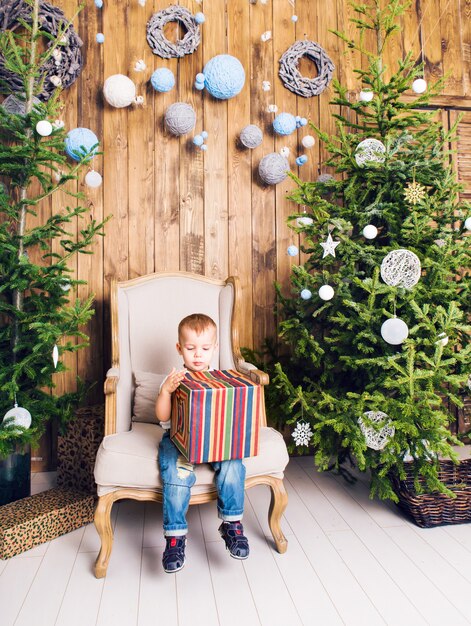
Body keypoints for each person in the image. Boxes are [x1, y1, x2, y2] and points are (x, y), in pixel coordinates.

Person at [155, 313, 250, 573]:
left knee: (234, 464)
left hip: (214, 440)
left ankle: (232, 523)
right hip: (178, 440)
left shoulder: (221, 379)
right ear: (179, 348)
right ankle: (175, 537)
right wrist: (165, 391)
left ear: (215, 349)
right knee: (176, 475)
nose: (198, 355)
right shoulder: (175, 379)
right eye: (191, 348)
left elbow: (229, 417)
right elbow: (162, 417)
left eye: (205, 348)